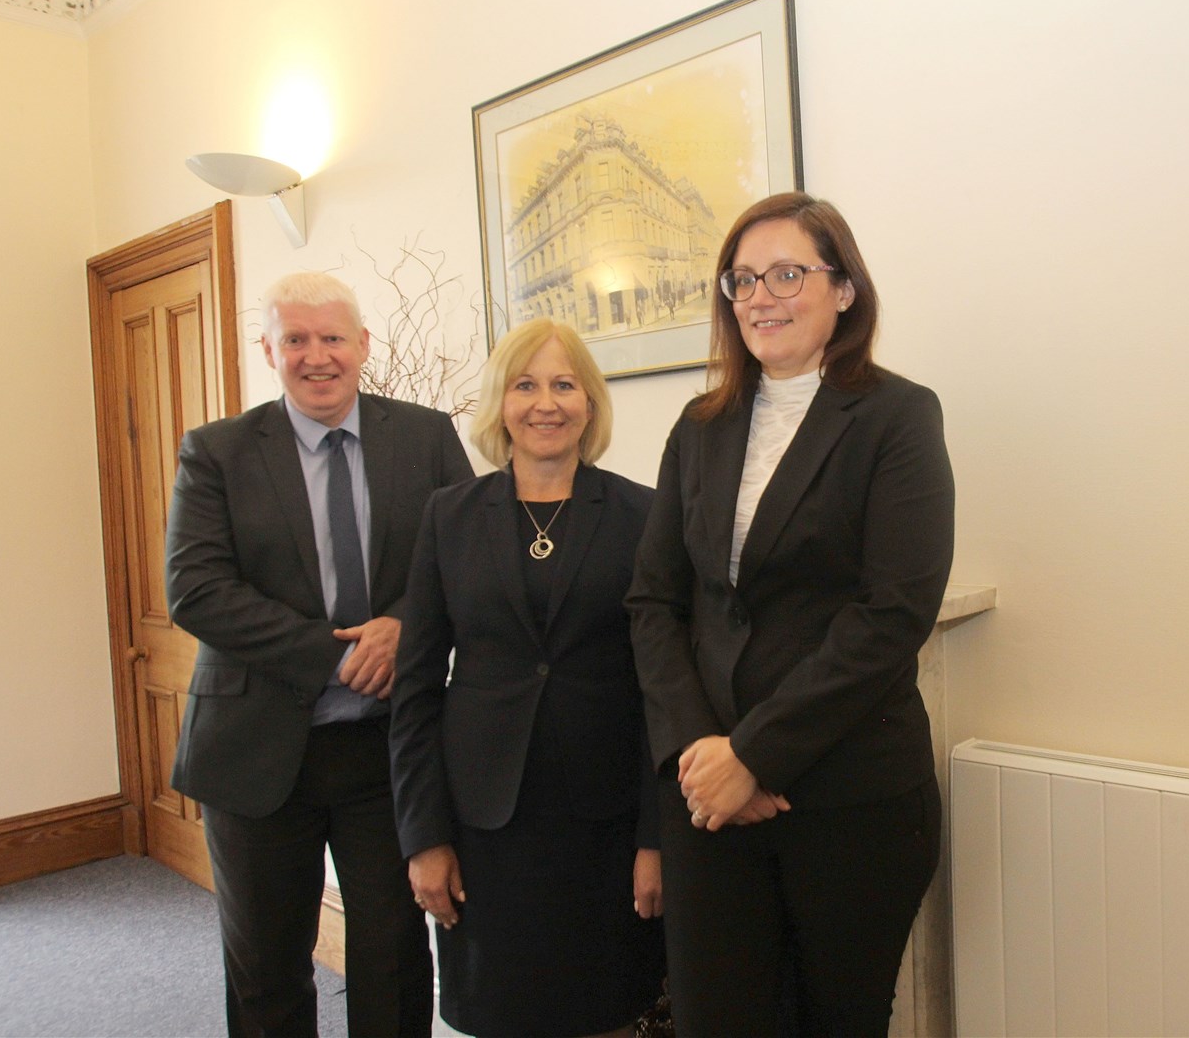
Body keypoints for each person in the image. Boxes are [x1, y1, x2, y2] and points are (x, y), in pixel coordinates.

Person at [627, 192, 956, 1035]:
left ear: (843, 289)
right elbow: (655, 600)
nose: (760, 296)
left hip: (849, 798)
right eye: (742, 280)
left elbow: (893, 613)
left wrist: (756, 755)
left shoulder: (895, 416)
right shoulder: (698, 428)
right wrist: (703, 751)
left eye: (787, 273)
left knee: (835, 1022)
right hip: (707, 800)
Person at [166, 270, 472, 1037]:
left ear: (363, 345)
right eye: (295, 339)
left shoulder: (426, 436)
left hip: (386, 749)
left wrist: (404, 626)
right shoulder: (218, 452)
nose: (316, 355)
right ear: (268, 348)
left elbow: (468, 562)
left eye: (332, 337)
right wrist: (332, 656)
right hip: (255, 750)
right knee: (266, 966)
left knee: (396, 953)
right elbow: (195, 591)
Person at [390, 318, 665, 1037]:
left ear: (590, 403)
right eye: (526, 385)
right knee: (500, 1016)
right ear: (500, 404)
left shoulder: (642, 514)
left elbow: (661, 687)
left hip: (602, 826)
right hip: (484, 830)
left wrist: (655, 836)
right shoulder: (448, 517)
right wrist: (423, 836)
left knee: (604, 1011)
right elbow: (416, 688)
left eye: (564, 384)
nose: (546, 403)